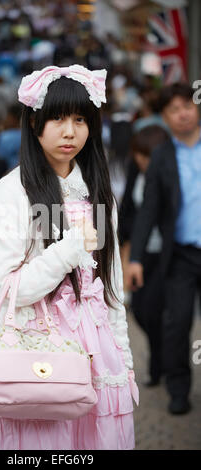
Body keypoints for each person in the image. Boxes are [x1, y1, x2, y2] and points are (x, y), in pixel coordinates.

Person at [0, 65, 139, 450]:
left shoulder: (98, 194)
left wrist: (124, 358)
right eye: (57, 119)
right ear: (34, 123)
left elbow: (111, 289)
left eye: (80, 120)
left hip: (98, 349)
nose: (70, 132)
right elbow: (8, 290)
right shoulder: (12, 192)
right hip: (34, 345)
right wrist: (69, 250)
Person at [126, 83, 201, 415]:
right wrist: (137, 257)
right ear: (165, 117)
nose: (183, 112)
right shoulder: (162, 155)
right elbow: (149, 209)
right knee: (177, 323)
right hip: (181, 255)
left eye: (188, 105)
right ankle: (178, 389)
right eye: (174, 109)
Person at [119, 125, 170, 387]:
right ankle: (161, 354)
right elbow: (127, 207)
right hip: (141, 252)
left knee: (156, 310)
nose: (141, 160)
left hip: (167, 253)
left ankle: (160, 365)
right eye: (138, 154)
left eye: (146, 155)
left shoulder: (170, 175)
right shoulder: (135, 172)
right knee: (139, 309)